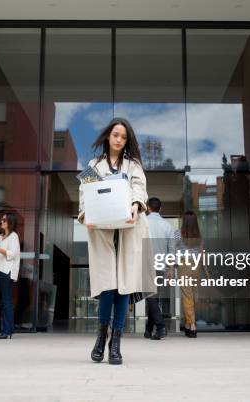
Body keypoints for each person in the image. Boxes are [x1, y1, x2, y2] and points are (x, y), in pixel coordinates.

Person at [78, 117, 156, 365]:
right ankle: (101, 337)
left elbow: (139, 188)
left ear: (127, 140)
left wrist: (135, 204)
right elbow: (85, 196)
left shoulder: (133, 165)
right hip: (103, 232)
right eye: (115, 135)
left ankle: (116, 342)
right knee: (107, 287)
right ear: (107, 137)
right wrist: (85, 215)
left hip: (128, 232)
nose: (119, 140)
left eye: (123, 136)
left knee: (125, 287)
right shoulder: (93, 165)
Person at [144, 197, 176, 340]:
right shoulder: (168, 226)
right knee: (154, 298)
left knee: (150, 297)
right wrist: (170, 268)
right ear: (160, 208)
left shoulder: (142, 224)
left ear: (147, 208)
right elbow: (171, 249)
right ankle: (149, 329)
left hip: (146, 266)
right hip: (161, 267)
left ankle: (161, 326)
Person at [177, 211, 203, 338]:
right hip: (197, 266)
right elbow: (202, 252)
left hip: (184, 264)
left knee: (187, 295)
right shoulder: (199, 235)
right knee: (194, 294)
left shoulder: (178, 234)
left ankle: (192, 325)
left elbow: (173, 250)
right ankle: (188, 325)